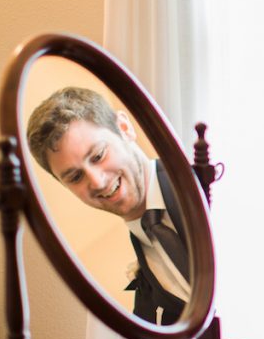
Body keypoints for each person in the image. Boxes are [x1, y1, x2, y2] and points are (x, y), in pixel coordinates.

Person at [27, 87, 191, 325]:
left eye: (98, 156)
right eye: (75, 177)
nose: (97, 181)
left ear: (124, 128)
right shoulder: (145, 281)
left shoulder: (201, 186)